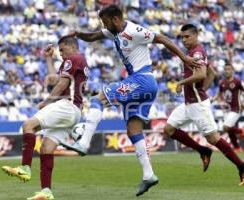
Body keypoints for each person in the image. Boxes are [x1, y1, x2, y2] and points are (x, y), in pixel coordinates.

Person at [60, 4, 201, 197]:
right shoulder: (113, 32)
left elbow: (161, 38)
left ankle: (84, 143)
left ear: (116, 19)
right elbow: (93, 36)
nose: (104, 25)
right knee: (133, 130)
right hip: (142, 84)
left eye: (105, 21)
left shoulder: (133, 30)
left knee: (98, 98)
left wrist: (184, 58)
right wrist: (78, 34)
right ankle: (149, 175)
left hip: (141, 80)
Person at [163, 24, 244, 186]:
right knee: (168, 129)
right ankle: (203, 151)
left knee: (213, 138)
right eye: (182, 37)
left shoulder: (196, 52)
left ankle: (243, 167)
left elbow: (202, 73)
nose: (184, 40)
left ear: (195, 36)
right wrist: (202, 89)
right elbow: (212, 73)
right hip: (189, 103)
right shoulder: (194, 52)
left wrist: (182, 82)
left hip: (198, 105)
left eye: (187, 36)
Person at [1, 36, 88, 200]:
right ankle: (46, 191)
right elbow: (56, 79)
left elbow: (61, 85)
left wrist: (47, 101)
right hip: (75, 111)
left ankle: (25, 167)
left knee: (28, 126)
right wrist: (49, 59)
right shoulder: (79, 60)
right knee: (46, 149)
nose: (61, 54)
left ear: (71, 46)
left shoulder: (73, 58)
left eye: (62, 49)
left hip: (66, 106)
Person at [213, 63, 244, 153]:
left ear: (232, 71)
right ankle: (237, 148)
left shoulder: (237, 81)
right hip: (227, 109)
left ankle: (240, 131)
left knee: (225, 127)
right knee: (229, 130)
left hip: (236, 108)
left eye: (229, 69)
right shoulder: (222, 83)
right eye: (225, 69)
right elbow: (219, 94)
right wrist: (213, 99)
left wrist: (243, 102)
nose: (227, 71)